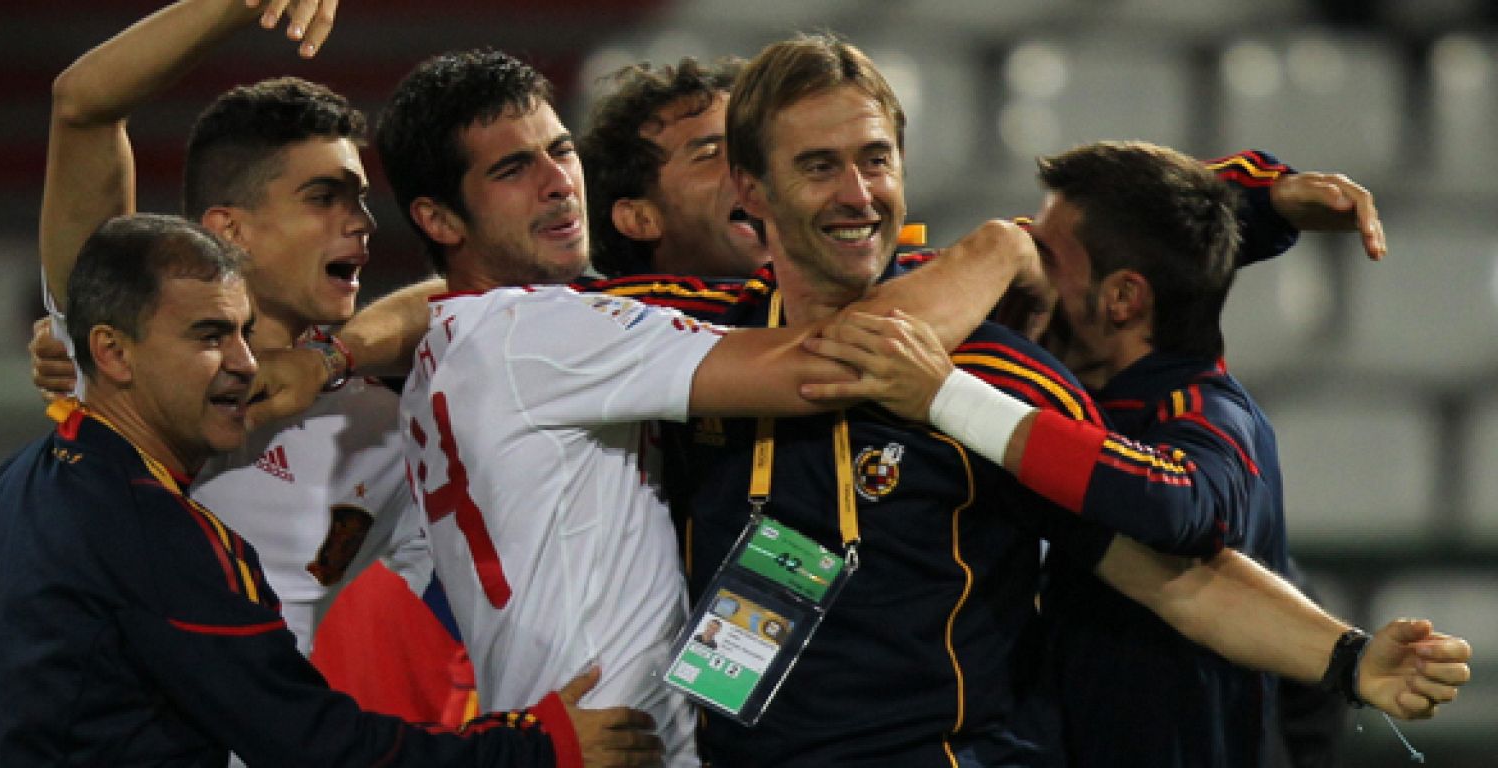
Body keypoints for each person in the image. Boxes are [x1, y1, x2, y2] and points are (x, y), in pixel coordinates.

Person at [634, 33, 1469, 767]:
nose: (859, 194)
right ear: (749, 187)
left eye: (877, 158)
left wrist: (1350, 657)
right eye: (819, 166)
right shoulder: (683, 347)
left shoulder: (1002, 374)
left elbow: (1173, 578)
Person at [250, 46, 1042, 768]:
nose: (559, 179)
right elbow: (833, 361)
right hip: (622, 742)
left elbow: (453, 303)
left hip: (556, 730)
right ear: (438, 219)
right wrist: (999, 247)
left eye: (561, 150)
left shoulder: (465, 338)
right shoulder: (547, 332)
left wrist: (336, 350)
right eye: (513, 170)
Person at [0, 213, 659, 767]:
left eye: (246, 332)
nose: (245, 362)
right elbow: (313, 746)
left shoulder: (10, 488)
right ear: (112, 353)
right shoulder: (149, 529)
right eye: (209, 335)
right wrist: (538, 746)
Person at [805, 139, 1374, 766]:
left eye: (1042, 253)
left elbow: (1180, 503)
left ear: (1123, 299)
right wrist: (1262, 200)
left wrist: (948, 400)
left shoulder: (1205, 413)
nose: (1023, 266)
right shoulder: (1064, 380)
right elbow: (1156, 223)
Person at [32, 0, 470, 722]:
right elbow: (82, 106)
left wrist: (331, 357)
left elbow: (491, 293)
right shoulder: (131, 346)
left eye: (360, 198)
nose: (360, 223)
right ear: (229, 230)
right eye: (325, 197)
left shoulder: (379, 421)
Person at [580, 57, 769, 278]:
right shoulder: (592, 311)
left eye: (755, 146)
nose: (753, 161)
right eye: (709, 154)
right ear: (641, 219)